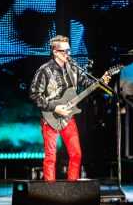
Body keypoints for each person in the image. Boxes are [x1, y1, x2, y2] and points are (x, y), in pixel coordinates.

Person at [29, 35, 111, 181]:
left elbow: (87, 84)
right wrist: (55, 108)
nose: (69, 53)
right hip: (50, 118)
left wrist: (101, 82)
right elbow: (35, 95)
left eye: (69, 50)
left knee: (76, 154)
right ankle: (50, 191)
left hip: (68, 118)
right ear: (55, 52)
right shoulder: (44, 71)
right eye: (65, 50)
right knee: (50, 157)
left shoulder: (73, 68)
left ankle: (72, 189)